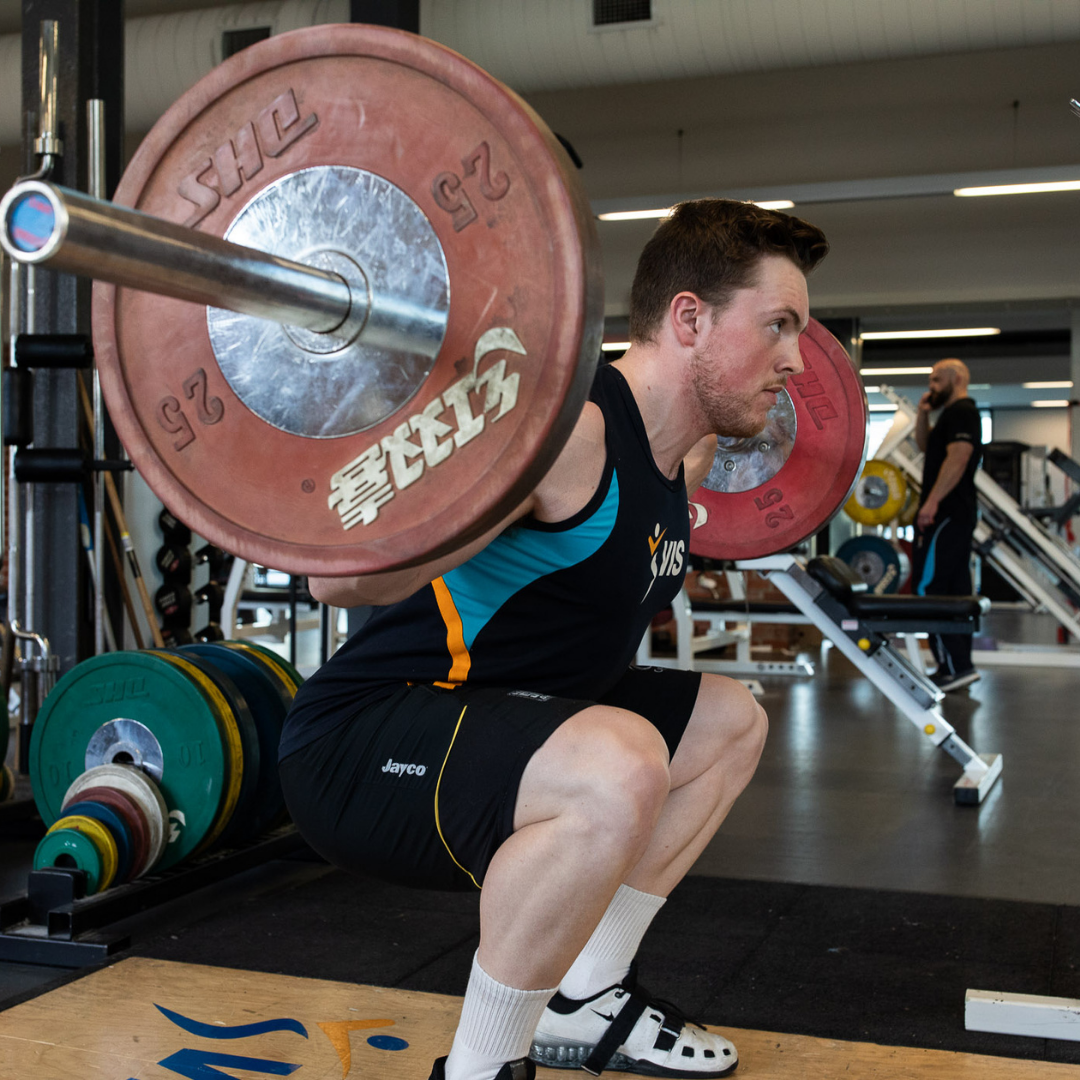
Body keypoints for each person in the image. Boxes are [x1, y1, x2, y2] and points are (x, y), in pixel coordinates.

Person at [277, 199, 830, 1080]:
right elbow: (339, 580)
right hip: (368, 740)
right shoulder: (565, 432)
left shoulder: (681, 461)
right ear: (688, 319)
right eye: (777, 326)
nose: (798, 360)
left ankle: (589, 998)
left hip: (517, 724)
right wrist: (479, 476)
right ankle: (482, 1066)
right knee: (621, 760)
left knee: (730, 719)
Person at [911, 358, 983, 692]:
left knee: (930, 590)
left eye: (937, 380)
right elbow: (927, 448)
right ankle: (959, 666)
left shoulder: (962, 412)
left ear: (956, 378)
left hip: (948, 514)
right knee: (954, 593)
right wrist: (923, 413)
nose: (932, 386)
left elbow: (959, 458)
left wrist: (932, 502)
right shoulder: (949, 416)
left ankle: (951, 666)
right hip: (952, 514)